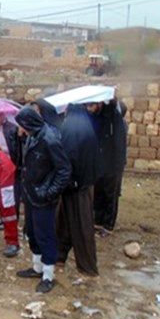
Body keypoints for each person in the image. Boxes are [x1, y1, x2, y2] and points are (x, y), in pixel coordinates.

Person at [15, 106, 71, 293]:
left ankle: (48, 275)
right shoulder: (32, 136)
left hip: (43, 195)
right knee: (32, 231)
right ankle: (37, 267)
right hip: (31, 193)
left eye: (21, 125)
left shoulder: (50, 139)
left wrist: (50, 193)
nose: (20, 129)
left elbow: (64, 170)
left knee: (45, 234)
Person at [57, 104, 101, 276]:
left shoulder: (71, 127)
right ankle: (59, 256)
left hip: (76, 185)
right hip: (82, 182)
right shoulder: (85, 124)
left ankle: (88, 266)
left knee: (81, 225)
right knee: (64, 223)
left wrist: (68, 181)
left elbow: (68, 155)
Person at [94, 99, 128, 236]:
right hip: (103, 164)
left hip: (113, 166)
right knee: (100, 192)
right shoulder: (105, 122)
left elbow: (118, 147)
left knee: (110, 195)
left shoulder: (117, 124)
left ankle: (108, 225)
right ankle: (98, 221)